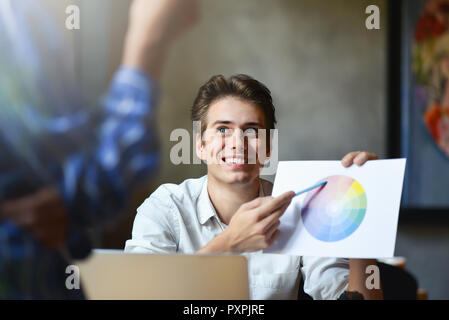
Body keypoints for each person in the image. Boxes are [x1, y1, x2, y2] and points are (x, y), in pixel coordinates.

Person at [0, 0, 198, 299]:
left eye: (251, 131)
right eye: (223, 129)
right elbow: (94, 186)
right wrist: (149, 40)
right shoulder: (17, 20)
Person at [125, 74, 383, 300]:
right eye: (223, 130)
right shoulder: (164, 208)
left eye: (251, 131)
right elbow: (135, 293)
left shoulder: (301, 208)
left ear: (269, 148)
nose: (238, 143)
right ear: (200, 146)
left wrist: (359, 224)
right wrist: (230, 243)